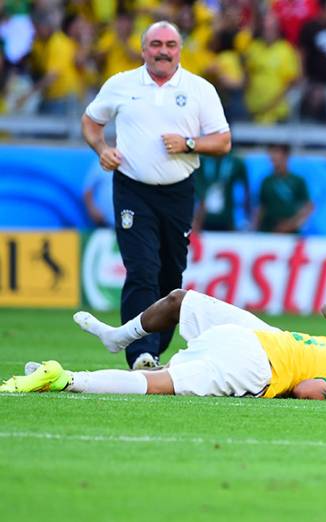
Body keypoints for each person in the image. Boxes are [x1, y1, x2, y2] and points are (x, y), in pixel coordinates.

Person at [80, 20, 232, 370]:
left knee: (170, 274)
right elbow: (91, 122)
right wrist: (102, 149)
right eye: (156, 44)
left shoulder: (199, 89)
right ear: (143, 48)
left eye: (170, 45)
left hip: (178, 192)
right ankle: (140, 353)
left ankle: (155, 348)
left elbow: (222, 141)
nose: (163, 51)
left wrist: (189, 143)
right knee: (141, 268)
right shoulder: (121, 84)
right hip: (132, 189)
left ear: (180, 49)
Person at [0, 290, 326, 401]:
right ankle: (66, 378)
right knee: (159, 385)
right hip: (255, 366)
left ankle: (58, 372)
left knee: (180, 304)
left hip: (246, 337)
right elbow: (308, 390)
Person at [253, 143, 314, 233]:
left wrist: (292, 224)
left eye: (277, 153)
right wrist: (255, 227)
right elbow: (261, 207)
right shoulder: (266, 181)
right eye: (271, 154)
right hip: (268, 230)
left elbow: (308, 207)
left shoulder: (297, 181)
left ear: (286, 156)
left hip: (291, 232)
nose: (273, 157)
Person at [192, 151, 250, 232]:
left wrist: (246, 217)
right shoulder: (201, 161)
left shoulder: (236, 162)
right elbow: (195, 186)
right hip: (203, 218)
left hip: (227, 218)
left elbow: (246, 189)